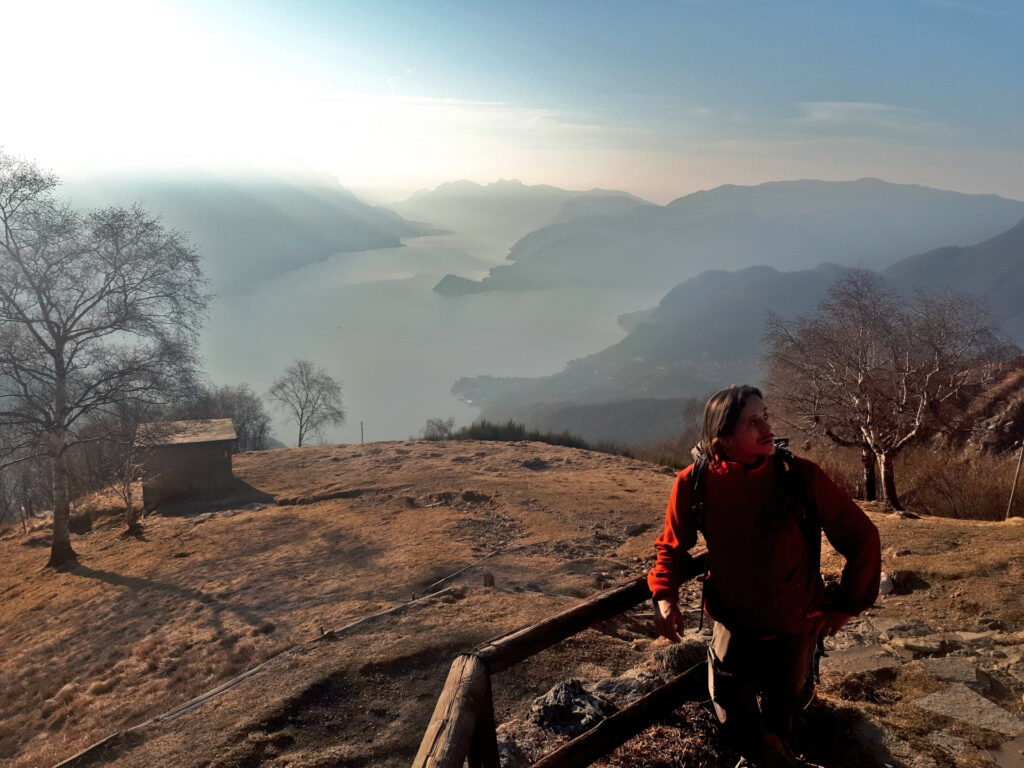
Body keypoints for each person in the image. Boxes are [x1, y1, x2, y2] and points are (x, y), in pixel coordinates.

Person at [648, 385, 880, 768]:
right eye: (752, 421)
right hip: (732, 626)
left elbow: (863, 537)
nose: (767, 426)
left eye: (766, 416)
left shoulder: (801, 477)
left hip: (796, 627)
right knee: (734, 723)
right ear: (722, 435)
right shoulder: (695, 482)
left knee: (782, 715)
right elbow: (671, 547)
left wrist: (846, 606)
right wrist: (665, 598)